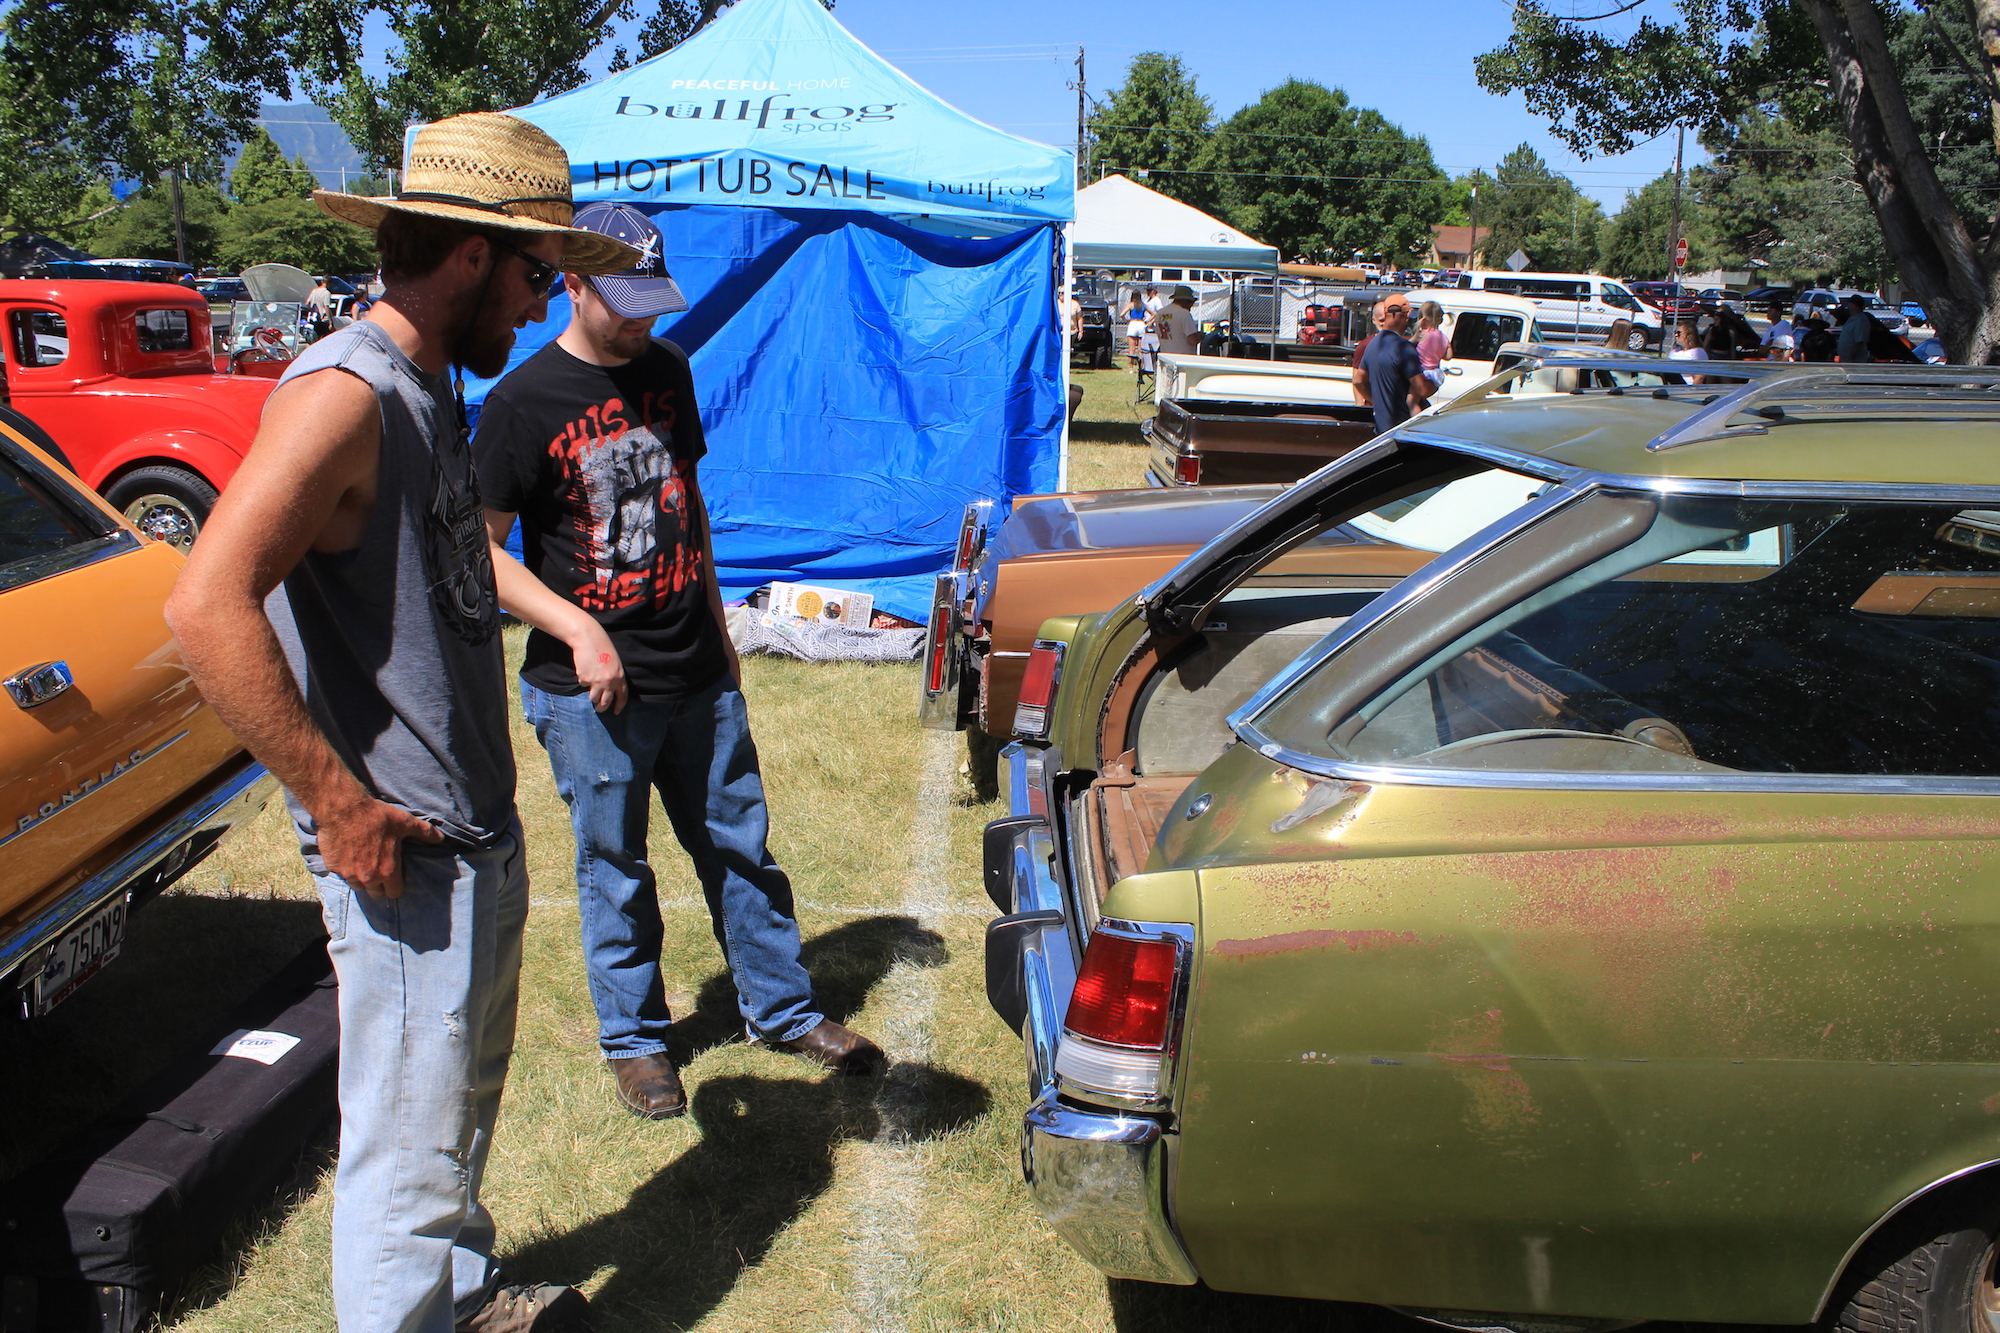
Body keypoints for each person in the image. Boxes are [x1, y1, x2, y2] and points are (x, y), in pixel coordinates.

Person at [164, 112, 641, 1333]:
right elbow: (208, 605)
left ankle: (457, 1303)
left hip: (466, 830)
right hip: (404, 848)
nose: (542, 305)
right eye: (540, 272)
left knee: (453, 1120)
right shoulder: (345, 394)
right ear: (473, 255)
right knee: (406, 1156)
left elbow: (452, 578)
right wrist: (336, 801)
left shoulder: (428, 388)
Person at [472, 202, 886, 1121]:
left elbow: (686, 504)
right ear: (569, 284)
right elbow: (480, 553)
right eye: (623, 303)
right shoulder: (520, 404)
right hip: (590, 693)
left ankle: (781, 1010)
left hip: (695, 668)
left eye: (652, 300)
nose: (643, 321)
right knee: (615, 866)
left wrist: (722, 636)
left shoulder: (668, 370)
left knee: (741, 847)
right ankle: (637, 1041)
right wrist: (579, 630)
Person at [1358, 293, 1431, 432]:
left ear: (1385, 313)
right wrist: (1435, 383)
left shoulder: (1372, 345)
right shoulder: (1403, 348)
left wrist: (1377, 402)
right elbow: (1422, 389)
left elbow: (1358, 380)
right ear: (1408, 315)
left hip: (1382, 430)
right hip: (1403, 432)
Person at [1153, 284, 1201, 359]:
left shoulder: (1160, 313)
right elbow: (1192, 340)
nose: (1191, 306)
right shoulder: (1184, 314)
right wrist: (1200, 336)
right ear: (1185, 301)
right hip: (1183, 359)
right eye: (1190, 303)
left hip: (1165, 357)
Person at [1415, 300, 1448, 389]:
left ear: (1423, 319)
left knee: (1411, 399)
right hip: (1436, 374)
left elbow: (1407, 344)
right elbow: (1448, 356)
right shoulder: (1444, 337)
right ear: (1440, 321)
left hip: (1422, 372)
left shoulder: (1421, 334)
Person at [1836, 293, 1877, 362]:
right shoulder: (1851, 318)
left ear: (1855, 305)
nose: (1848, 305)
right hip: (1845, 358)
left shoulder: (1860, 320)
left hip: (1854, 360)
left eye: (1850, 303)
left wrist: (1851, 358)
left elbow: (1859, 342)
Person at [1669, 320, 1709, 384]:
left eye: (1679, 332)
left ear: (1689, 334)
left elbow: (1700, 377)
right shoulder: (1675, 350)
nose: (1676, 335)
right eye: (1675, 332)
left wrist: (1690, 390)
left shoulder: (1698, 352)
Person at [1122, 290, 1146, 367]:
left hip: (1133, 323)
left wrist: (1126, 321)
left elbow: (1121, 314)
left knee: (1131, 349)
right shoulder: (1143, 305)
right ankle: (1141, 366)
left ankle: (1131, 368)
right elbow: (1154, 313)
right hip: (1141, 324)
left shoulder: (1131, 304)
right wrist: (1148, 322)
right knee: (1141, 349)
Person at [305, 275, 333, 341]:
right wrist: (330, 321)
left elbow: (307, 303)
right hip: (323, 319)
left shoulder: (314, 291)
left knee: (316, 338)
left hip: (315, 317)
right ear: (330, 283)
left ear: (321, 281)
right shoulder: (326, 293)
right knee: (325, 338)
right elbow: (326, 306)